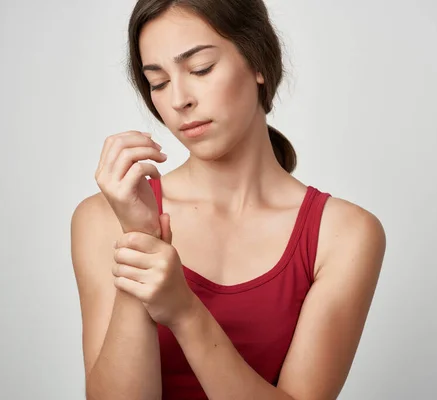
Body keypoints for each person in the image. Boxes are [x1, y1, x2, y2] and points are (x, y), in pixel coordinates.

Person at [70, 1, 386, 399]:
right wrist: (140, 239)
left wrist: (185, 312)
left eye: (200, 69)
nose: (179, 99)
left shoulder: (344, 234)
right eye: (159, 82)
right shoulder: (104, 217)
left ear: (258, 63)